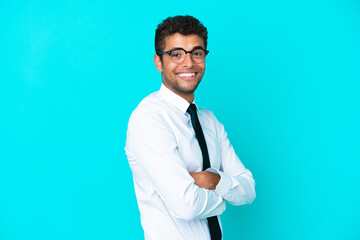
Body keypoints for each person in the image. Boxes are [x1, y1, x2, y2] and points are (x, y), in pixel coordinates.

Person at [125, 15, 256, 240]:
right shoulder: (149, 119)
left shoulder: (208, 120)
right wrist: (225, 195)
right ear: (159, 62)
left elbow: (248, 190)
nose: (188, 63)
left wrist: (212, 180)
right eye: (176, 54)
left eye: (196, 53)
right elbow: (187, 206)